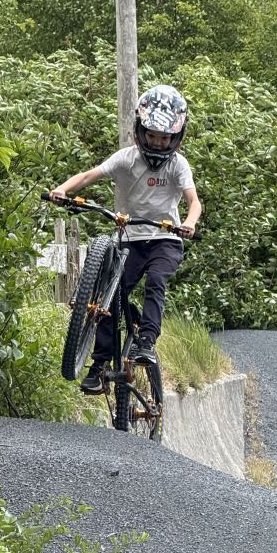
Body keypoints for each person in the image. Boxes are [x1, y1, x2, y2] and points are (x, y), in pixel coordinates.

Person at [51, 84, 202, 394]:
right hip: (129, 239)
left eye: (165, 138)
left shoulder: (178, 165)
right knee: (111, 296)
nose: (158, 143)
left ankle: (147, 342)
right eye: (153, 135)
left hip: (165, 239)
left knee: (157, 280)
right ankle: (100, 364)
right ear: (140, 130)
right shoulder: (126, 158)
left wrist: (188, 222)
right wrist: (63, 189)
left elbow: (194, 201)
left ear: (176, 137)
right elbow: (89, 175)